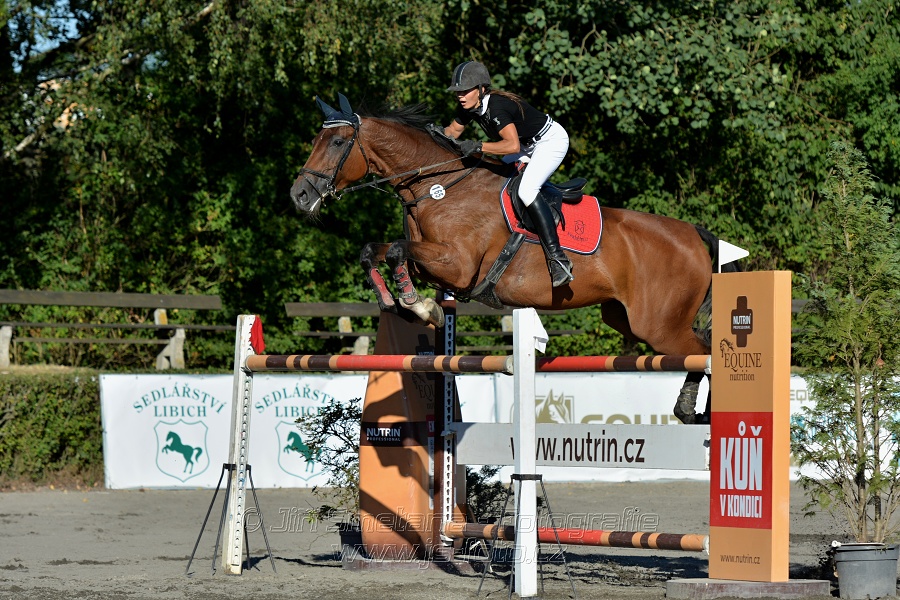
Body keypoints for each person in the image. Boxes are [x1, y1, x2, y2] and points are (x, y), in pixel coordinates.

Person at [443, 60, 574, 288]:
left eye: (465, 91)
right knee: (496, 178)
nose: (460, 96)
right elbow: (452, 132)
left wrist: (479, 146)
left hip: (549, 142)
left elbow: (512, 146)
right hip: (526, 145)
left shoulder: (498, 107)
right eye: (458, 92)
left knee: (526, 190)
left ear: (482, 90)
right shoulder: (469, 107)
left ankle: (558, 259)